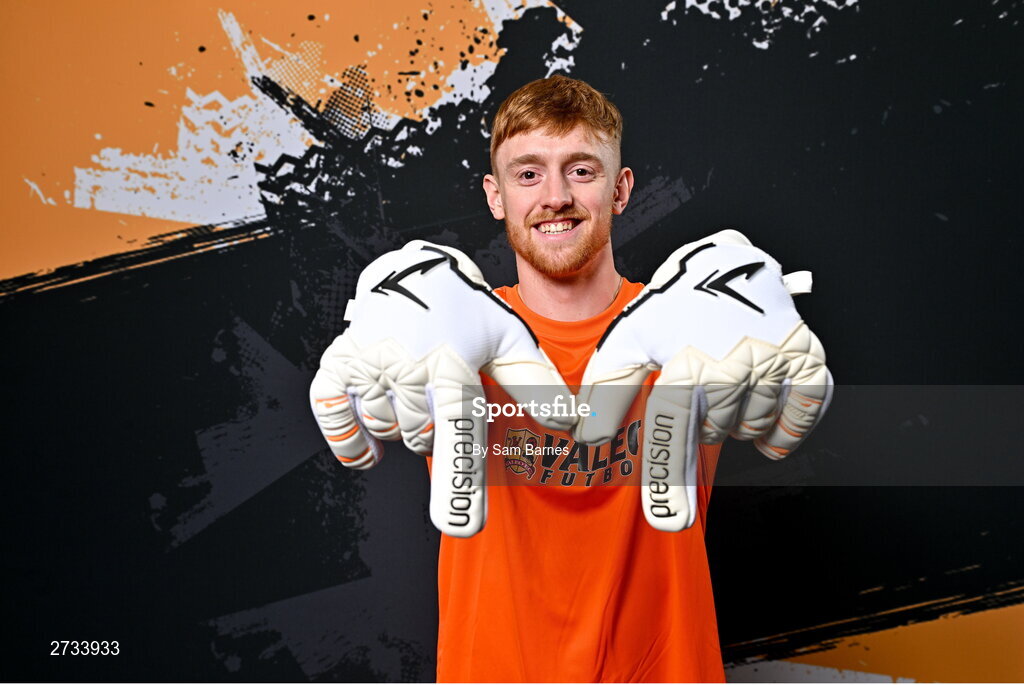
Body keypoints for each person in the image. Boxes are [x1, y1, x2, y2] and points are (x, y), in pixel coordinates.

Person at [311, 75, 831, 683]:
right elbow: (376, 386)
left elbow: (763, 372)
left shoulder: (687, 325)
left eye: (580, 170)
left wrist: (763, 324)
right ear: (494, 195)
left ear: (621, 188)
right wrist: (384, 322)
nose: (554, 196)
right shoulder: (450, 333)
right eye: (527, 174)